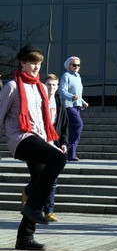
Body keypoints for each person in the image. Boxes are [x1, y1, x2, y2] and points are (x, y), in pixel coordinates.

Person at [0, 45, 67, 251]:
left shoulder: (39, 87)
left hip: (38, 139)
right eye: (32, 62)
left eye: (39, 63)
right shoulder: (12, 86)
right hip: (20, 138)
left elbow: (41, 120)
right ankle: (33, 206)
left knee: (40, 181)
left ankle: (24, 238)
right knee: (58, 159)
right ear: (23, 63)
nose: (37, 67)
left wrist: (51, 143)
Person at [23, 74, 69, 223]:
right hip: (39, 142)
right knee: (41, 177)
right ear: (44, 85)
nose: (51, 88)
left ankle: (48, 210)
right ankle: (29, 193)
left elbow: (64, 125)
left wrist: (63, 142)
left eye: (54, 85)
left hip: (53, 142)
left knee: (52, 178)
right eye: (49, 85)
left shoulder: (59, 103)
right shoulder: (38, 101)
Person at [59, 56, 88, 161]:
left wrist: (83, 102)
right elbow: (62, 91)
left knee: (74, 130)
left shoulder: (78, 77)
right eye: (74, 65)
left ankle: (71, 155)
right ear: (69, 65)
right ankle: (65, 148)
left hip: (77, 106)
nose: (76, 67)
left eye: (78, 65)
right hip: (68, 105)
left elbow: (78, 94)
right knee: (78, 125)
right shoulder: (66, 76)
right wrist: (71, 97)